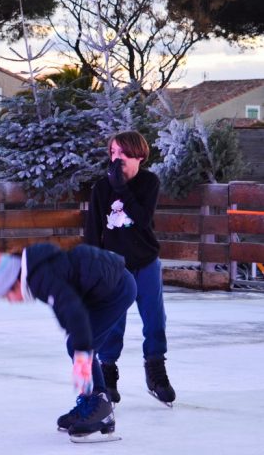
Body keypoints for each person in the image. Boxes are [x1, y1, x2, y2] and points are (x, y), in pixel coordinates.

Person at [0, 243, 136, 442]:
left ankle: (101, 408)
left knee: (81, 346)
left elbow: (72, 309)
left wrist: (81, 355)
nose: (10, 300)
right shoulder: (38, 271)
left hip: (116, 289)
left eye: (7, 294)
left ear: (14, 282)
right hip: (107, 286)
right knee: (78, 344)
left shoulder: (40, 277)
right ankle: (90, 402)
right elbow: (65, 303)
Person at [85, 130, 176, 406]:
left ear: (139, 156)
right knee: (113, 323)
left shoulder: (149, 182)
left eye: (122, 153)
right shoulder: (101, 188)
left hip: (146, 262)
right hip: (114, 267)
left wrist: (122, 188)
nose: (117, 158)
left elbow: (142, 218)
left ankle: (156, 372)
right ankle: (108, 375)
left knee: (154, 319)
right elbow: (93, 230)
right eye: (112, 152)